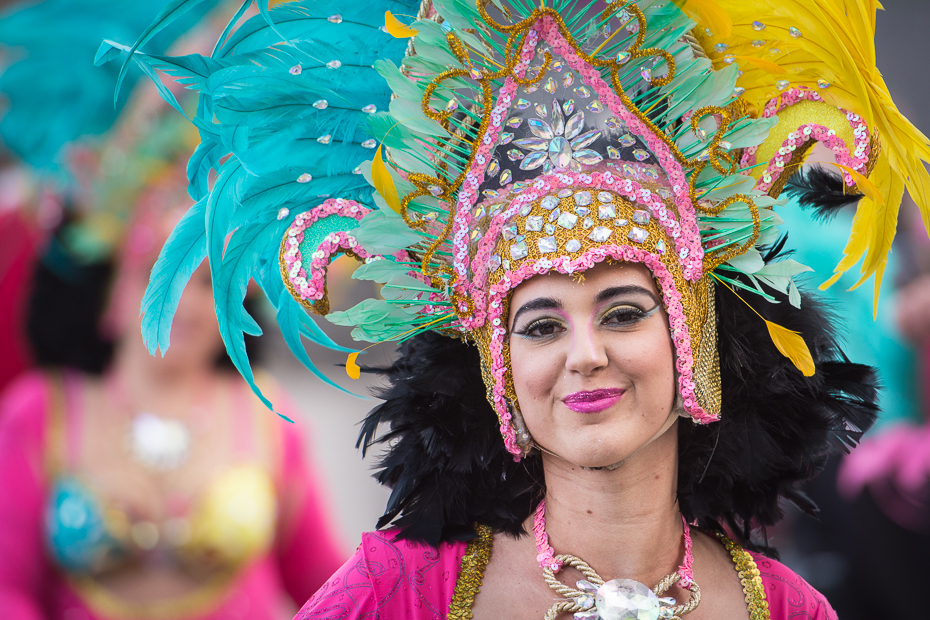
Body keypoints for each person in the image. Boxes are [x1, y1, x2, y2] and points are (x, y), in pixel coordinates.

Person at [112, 0, 930, 618]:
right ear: (499, 373)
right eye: (541, 325)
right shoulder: (402, 592)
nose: (585, 354)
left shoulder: (784, 608)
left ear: (696, 342)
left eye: (621, 312)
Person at [0, 110, 346, 620]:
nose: (180, 302)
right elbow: (9, 589)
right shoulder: (38, 413)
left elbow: (329, 590)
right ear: (109, 296)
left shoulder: (271, 418)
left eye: (207, 283)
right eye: (157, 273)